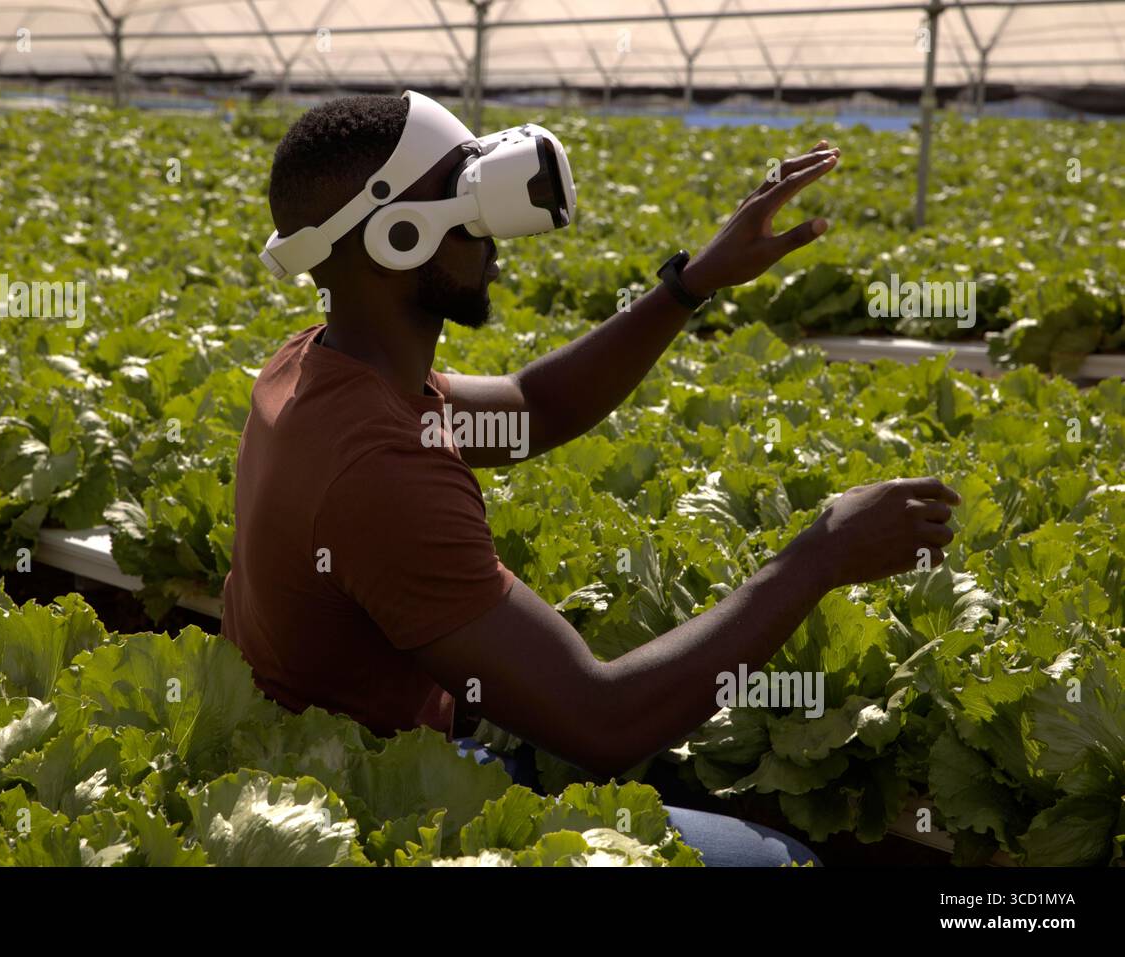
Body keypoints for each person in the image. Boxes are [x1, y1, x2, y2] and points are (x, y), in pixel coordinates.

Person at [221, 94, 961, 866]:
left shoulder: (322, 362)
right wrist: (821, 557)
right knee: (782, 861)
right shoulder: (375, 467)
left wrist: (692, 283)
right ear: (397, 237)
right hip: (373, 821)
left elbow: (533, 408)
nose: (494, 240)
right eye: (465, 202)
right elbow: (604, 721)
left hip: (364, 767)